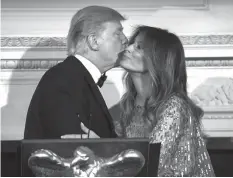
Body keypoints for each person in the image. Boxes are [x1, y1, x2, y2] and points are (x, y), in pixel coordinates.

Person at [114, 25, 215, 176]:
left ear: (158, 59)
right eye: (132, 43)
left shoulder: (174, 106)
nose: (128, 48)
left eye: (139, 47)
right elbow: (125, 152)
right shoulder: (130, 103)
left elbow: (151, 164)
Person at [24, 6, 128, 139]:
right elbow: (71, 150)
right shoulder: (62, 80)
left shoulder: (70, 77)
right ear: (93, 41)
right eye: (118, 34)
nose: (125, 40)